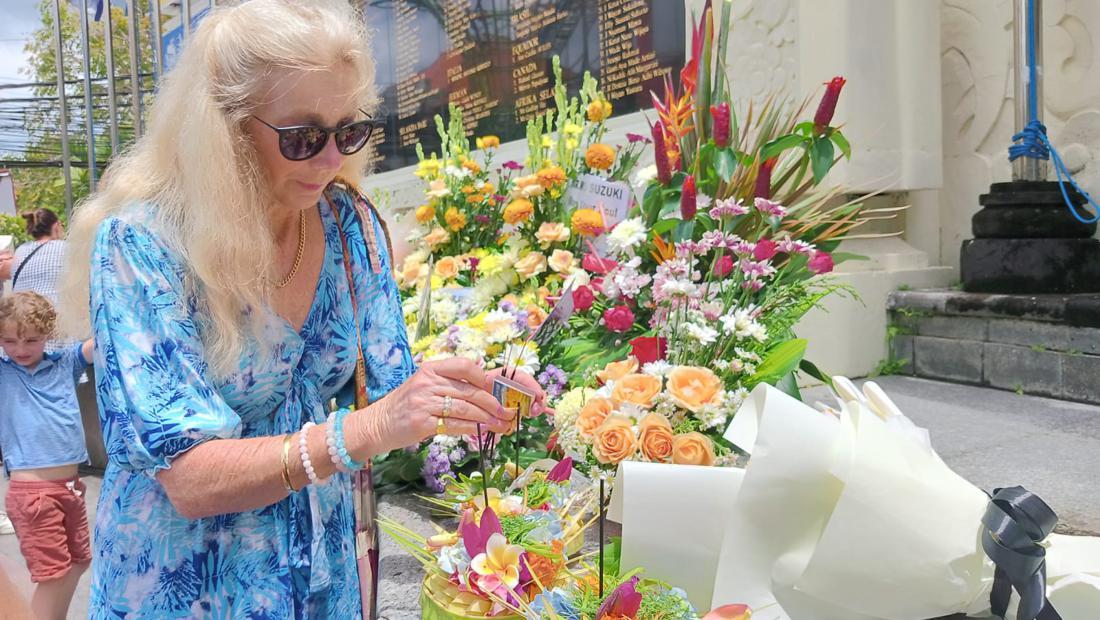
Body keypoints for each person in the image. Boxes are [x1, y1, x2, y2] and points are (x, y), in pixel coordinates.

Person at [58, 1, 548, 617]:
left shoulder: (349, 224)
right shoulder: (145, 245)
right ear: (227, 131)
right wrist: (364, 430)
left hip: (319, 575)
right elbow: (188, 476)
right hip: (186, 584)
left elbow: (390, 388)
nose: (331, 161)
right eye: (304, 137)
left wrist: (470, 391)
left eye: (349, 131)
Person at [0, 291, 94, 620]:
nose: (20, 350)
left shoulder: (64, 362)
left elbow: (100, 342)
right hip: (32, 494)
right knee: (53, 575)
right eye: (9, 341)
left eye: (31, 340)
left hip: (70, 488)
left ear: (47, 335)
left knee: (80, 561)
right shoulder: (4, 372)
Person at [10, 209, 65, 304]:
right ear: (56, 226)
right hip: (53, 313)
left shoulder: (20, 250)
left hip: (22, 313)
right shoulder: (64, 247)